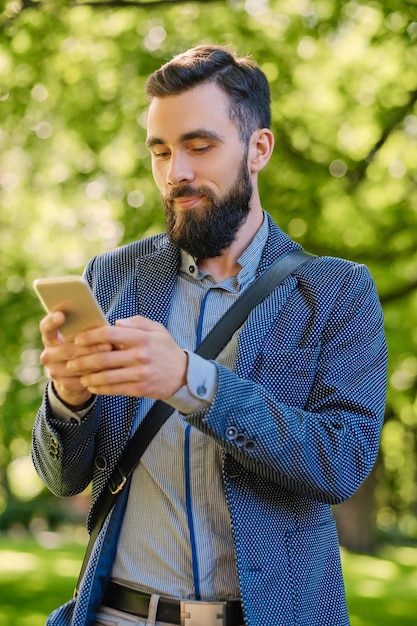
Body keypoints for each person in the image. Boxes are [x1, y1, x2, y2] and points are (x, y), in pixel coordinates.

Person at [32, 44, 388, 626]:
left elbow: (340, 463)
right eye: (161, 152)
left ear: (258, 149)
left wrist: (189, 380)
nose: (178, 174)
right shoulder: (112, 277)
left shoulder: (337, 291)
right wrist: (67, 401)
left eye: (200, 147)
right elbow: (61, 475)